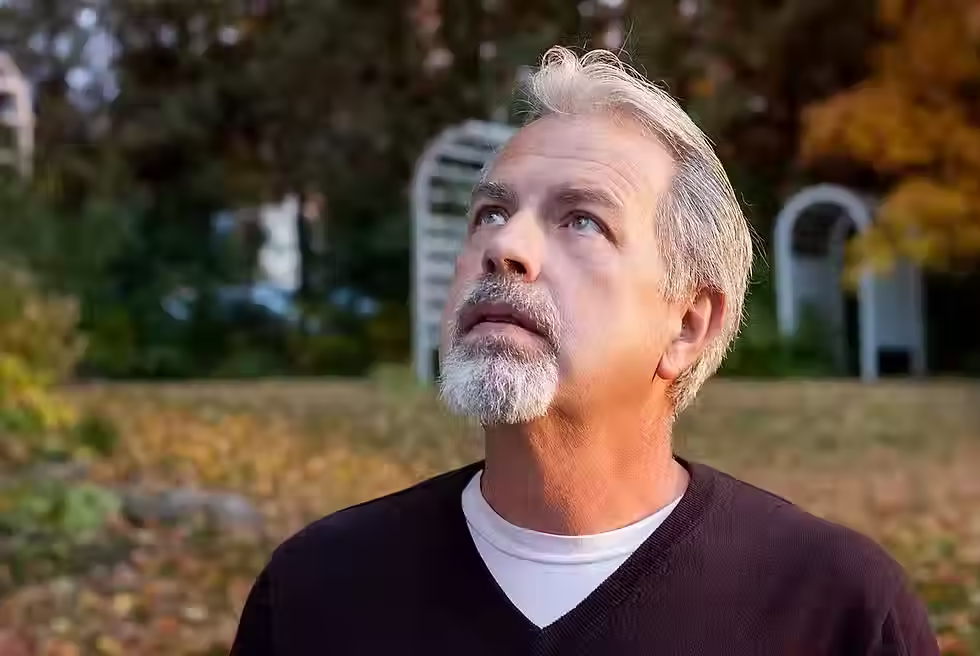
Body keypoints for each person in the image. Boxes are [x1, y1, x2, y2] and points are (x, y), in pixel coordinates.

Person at [230, 46, 938, 655]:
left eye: (582, 221)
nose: (506, 247)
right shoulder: (317, 593)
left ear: (688, 325)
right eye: (491, 213)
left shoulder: (834, 608)